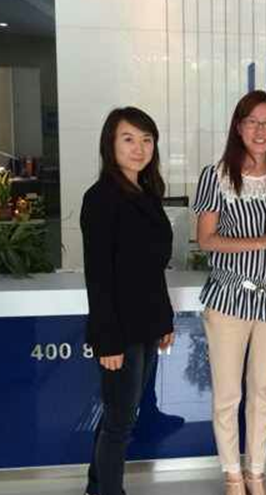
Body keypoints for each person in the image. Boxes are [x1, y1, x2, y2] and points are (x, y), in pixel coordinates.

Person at [193, 90, 266, 495]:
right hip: (229, 299)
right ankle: (232, 476)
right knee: (228, 394)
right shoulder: (216, 175)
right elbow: (206, 239)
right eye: (252, 122)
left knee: (262, 391)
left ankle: (256, 472)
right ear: (238, 127)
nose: (260, 131)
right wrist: (262, 241)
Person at [81, 107, 175, 495]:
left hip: (147, 325)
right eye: (129, 139)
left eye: (146, 140)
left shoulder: (148, 194)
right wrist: (107, 340)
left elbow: (153, 270)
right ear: (111, 144)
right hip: (119, 331)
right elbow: (98, 276)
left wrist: (164, 320)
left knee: (118, 417)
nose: (139, 148)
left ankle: (96, 487)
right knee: (120, 422)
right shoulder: (101, 198)